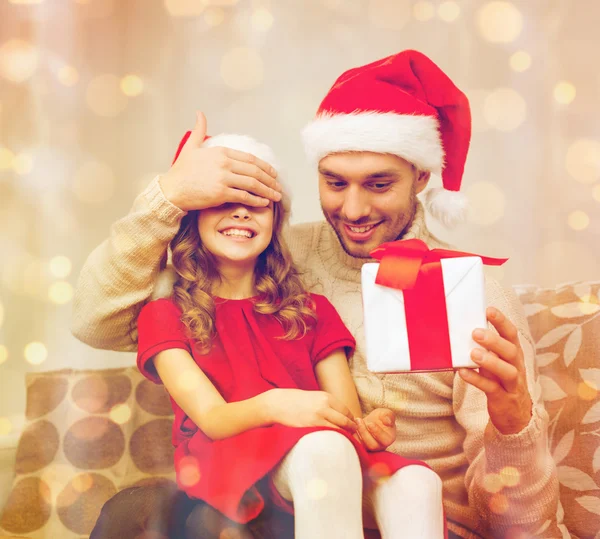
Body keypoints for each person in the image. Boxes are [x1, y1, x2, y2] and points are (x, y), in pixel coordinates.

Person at [74, 50, 561, 539]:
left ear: (422, 176)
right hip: (283, 504)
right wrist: (168, 197)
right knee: (133, 514)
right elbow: (97, 321)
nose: (353, 208)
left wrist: (514, 424)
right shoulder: (278, 261)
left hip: (415, 513)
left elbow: (522, 528)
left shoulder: (472, 291)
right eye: (335, 182)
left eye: (378, 184)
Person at [134, 131, 446, 539]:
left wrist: (368, 427)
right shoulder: (165, 314)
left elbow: (344, 417)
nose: (242, 214)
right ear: (193, 219)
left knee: (417, 482)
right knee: (325, 450)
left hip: (320, 450)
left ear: (275, 221)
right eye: (225, 203)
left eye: (257, 205)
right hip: (229, 454)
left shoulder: (311, 310)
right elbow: (213, 419)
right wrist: (278, 404)